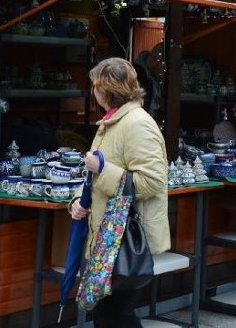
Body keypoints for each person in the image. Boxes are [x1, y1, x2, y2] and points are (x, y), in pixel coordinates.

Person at [70, 58, 169, 327]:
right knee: (109, 314)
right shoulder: (113, 121)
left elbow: (153, 181)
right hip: (107, 238)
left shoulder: (137, 123)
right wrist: (79, 200)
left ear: (108, 88)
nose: (93, 92)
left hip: (123, 241)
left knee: (116, 315)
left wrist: (102, 168)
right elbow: (94, 177)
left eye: (95, 86)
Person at [132, 42, 165, 116]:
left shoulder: (157, 79)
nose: (165, 71)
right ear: (157, 60)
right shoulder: (132, 75)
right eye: (164, 67)